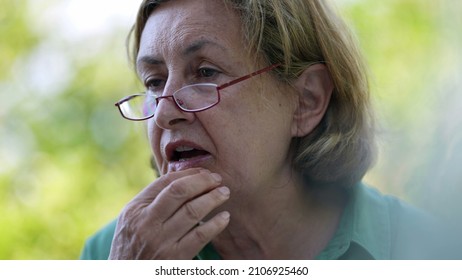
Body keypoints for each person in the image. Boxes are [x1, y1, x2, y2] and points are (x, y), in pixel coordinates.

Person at [80, 0, 454, 259]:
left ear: (307, 100)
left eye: (205, 72)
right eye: (154, 81)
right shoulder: (115, 254)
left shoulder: (431, 250)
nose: (164, 113)